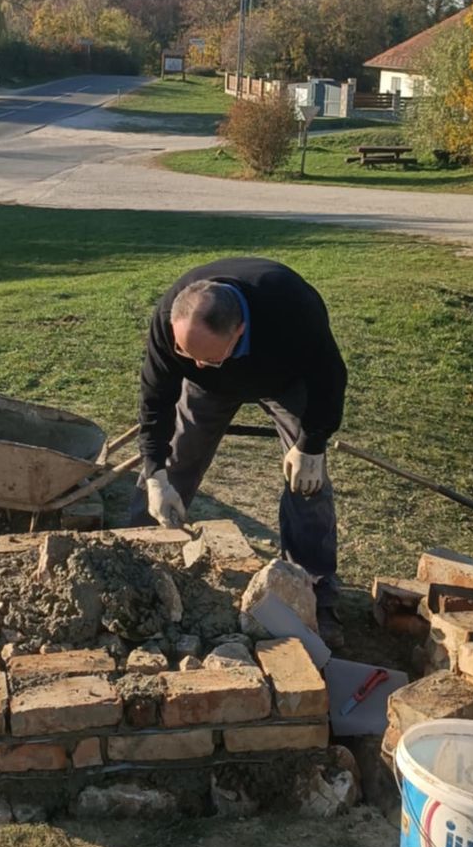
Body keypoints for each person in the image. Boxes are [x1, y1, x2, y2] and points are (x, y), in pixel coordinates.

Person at [127, 256, 347, 640]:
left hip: (284, 378)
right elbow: (156, 399)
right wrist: (155, 472)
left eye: (207, 356)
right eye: (185, 353)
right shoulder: (171, 319)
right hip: (209, 391)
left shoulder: (292, 309)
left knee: (307, 482)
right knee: (174, 463)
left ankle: (313, 589)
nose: (194, 362)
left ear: (239, 330)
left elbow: (330, 378)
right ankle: (129, 560)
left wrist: (311, 444)